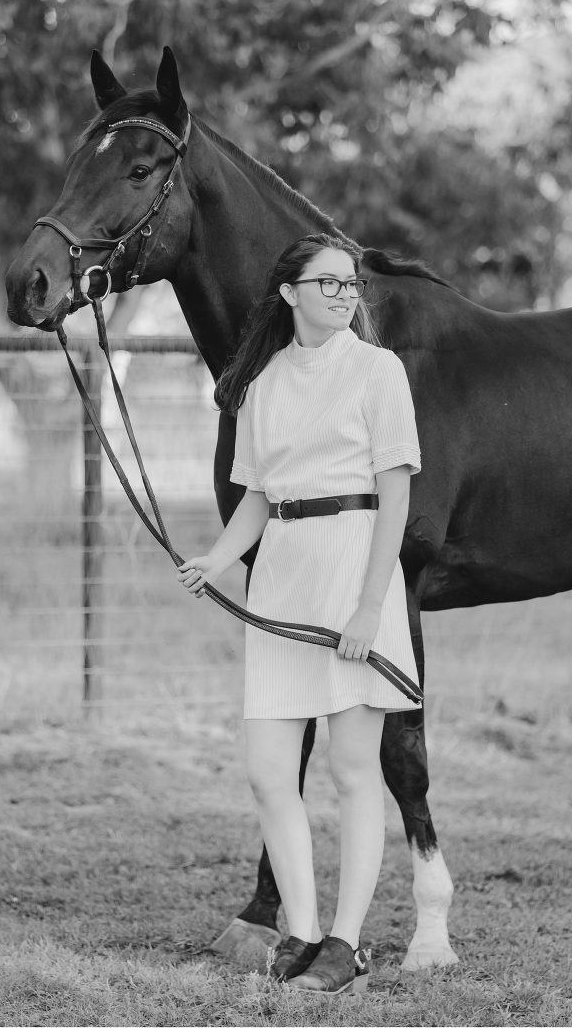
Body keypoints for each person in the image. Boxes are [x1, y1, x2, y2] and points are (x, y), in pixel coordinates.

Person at [177, 232, 421, 995]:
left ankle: (345, 944)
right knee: (267, 770)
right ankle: (303, 930)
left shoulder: (379, 371)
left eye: (351, 284)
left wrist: (371, 604)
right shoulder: (262, 383)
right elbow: (257, 494)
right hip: (280, 579)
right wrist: (218, 558)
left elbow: (396, 495)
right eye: (329, 284)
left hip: (354, 572)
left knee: (353, 770)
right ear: (289, 292)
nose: (346, 295)